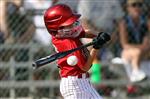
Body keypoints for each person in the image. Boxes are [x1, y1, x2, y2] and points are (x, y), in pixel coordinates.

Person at [44, 4, 110, 99]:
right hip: (75, 85)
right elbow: (85, 67)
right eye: (68, 24)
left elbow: (82, 32)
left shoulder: (64, 34)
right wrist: (95, 48)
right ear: (56, 28)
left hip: (82, 83)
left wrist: (98, 35)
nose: (72, 26)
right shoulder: (69, 43)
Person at [118, 0, 150, 83]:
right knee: (136, 52)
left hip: (144, 52)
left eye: (139, 5)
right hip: (127, 52)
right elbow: (124, 45)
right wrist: (142, 47)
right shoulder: (124, 22)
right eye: (134, 5)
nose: (137, 7)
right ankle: (135, 72)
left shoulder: (145, 21)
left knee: (141, 52)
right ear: (128, 8)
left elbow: (147, 41)